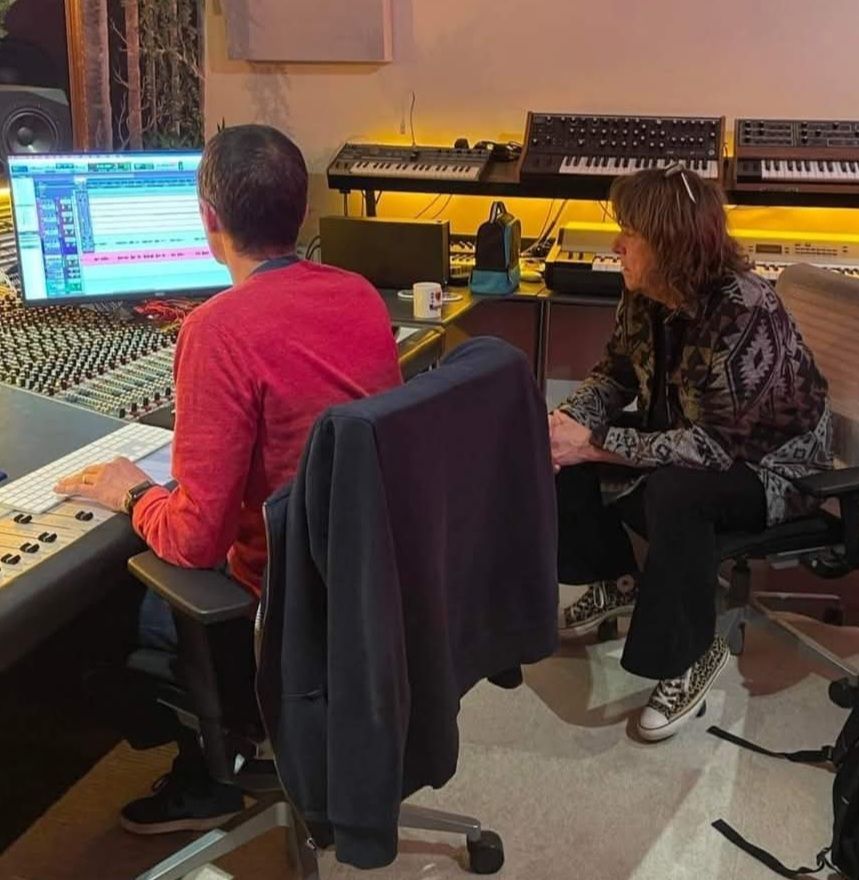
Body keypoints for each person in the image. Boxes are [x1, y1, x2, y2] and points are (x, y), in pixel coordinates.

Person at [54, 124, 403, 832]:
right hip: (371, 586)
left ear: (208, 218)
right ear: (302, 210)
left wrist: (131, 491)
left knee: (93, 613)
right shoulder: (359, 294)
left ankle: (213, 771)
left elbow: (193, 540)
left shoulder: (217, 329)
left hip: (282, 609)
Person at [550, 163, 831, 742]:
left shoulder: (745, 310)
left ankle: (689, 656)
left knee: (675, 490)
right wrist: (568, 423)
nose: (617, 245)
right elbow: (615, 373)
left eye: (631, 234)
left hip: (773, 469)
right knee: (561, 444)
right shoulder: (645, 293)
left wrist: (596, 445)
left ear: (672, 247)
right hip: (694, 437)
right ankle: (617, 580)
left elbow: (711, 448)